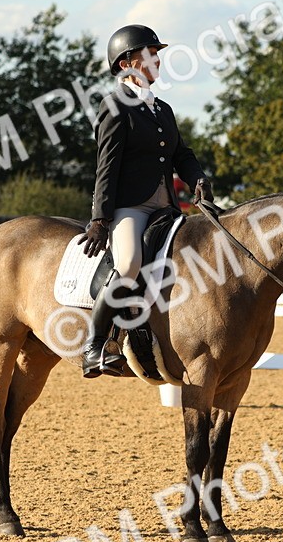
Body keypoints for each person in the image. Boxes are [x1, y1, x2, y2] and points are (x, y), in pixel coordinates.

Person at [77, 24, 212, 378]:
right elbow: (106, 168)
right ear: (126, 64)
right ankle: (95, 346)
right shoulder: (115, 107)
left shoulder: (162, 109)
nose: (157, 61)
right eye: (151, 54)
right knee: (130, 264)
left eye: (157, 55)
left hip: (167, 207)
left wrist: (198, 177)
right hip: (130, 207)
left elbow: (182, 154)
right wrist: (100, 219)